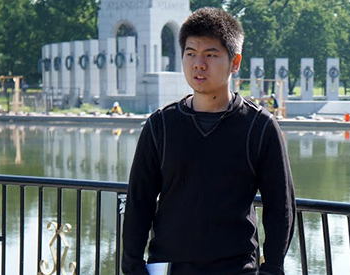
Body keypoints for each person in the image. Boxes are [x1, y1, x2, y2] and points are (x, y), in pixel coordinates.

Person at [122, 7, 295, 275]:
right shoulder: (161, 125)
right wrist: (133, 265)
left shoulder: (259, 127)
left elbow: (279, 206)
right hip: (169, 268)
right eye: (190, 54)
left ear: (235, 62)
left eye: (210, 55)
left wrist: (272, 268)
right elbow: (138, 200)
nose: (198, 64)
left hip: (235, 268)